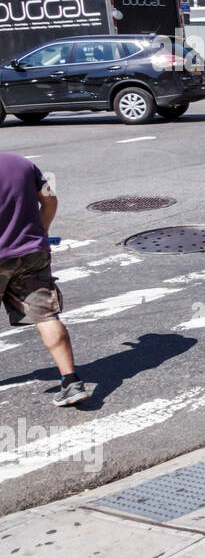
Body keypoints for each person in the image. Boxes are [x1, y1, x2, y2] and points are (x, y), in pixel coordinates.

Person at [0, 152, 88, 407]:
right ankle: (71, 382)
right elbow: (50, 202)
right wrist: (41, 231)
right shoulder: (22, 164)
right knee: (47, 317)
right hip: (32, 253)